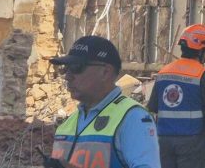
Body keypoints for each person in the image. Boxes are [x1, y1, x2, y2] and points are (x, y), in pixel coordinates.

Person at [48, 35, 160, 168]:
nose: (67, 76)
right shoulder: (68, 123)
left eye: (76, 67)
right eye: (65, 68)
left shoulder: (133, 117)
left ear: (105, 72)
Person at [148, 25, 205, 168]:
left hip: (163, 140)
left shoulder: (163, 73)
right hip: (192, 141)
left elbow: (153, 107)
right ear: (201, 50)